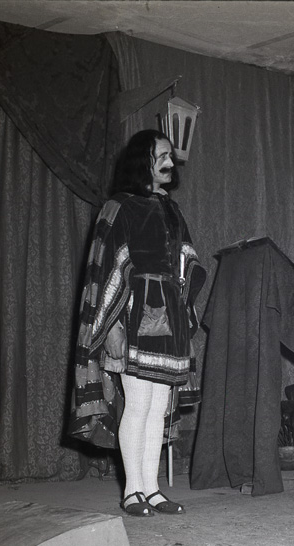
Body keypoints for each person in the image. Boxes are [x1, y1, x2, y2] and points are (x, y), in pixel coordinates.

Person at [71, 129, 206, 517]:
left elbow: (187, 260)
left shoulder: (172, 210)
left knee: (158, 407)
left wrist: (185, 288)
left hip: (170, 318)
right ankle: (133, 492)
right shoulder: (119, 206)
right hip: (133, 315)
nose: (170, 162)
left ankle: (153, 489)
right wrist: (111, 325)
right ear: (141, 161)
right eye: (161, 156)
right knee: (138, 403)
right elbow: (106, 268)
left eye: (170, 156)